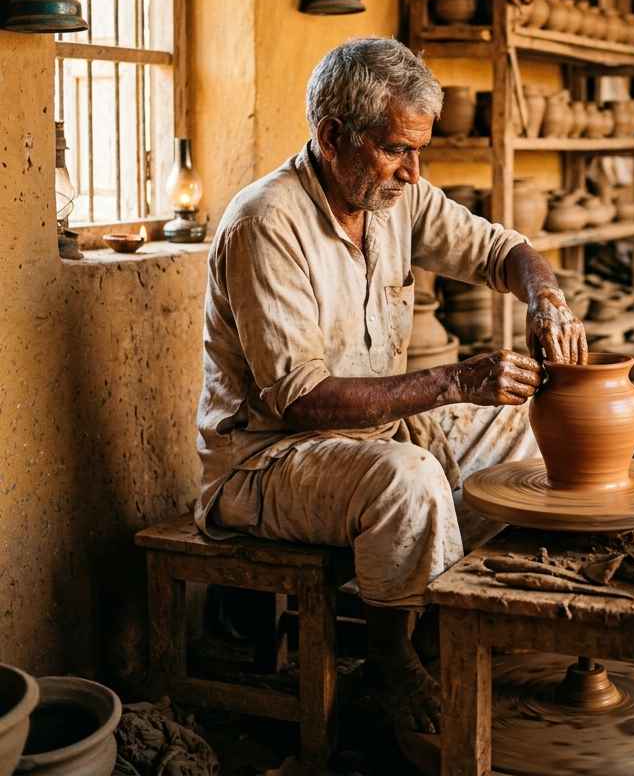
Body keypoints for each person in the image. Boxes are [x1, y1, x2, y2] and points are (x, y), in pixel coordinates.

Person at [194, 37, 587, 732]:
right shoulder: (266, 224)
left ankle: (442, 625)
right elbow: (301, 397)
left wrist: (545, 298)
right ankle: (389, 658)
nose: (413, 171)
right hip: (269, 457)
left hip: (372, 433)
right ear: (332, 135)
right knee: (408, 479)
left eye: (419, 151)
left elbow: (505, 251)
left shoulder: (393, 196)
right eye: (397, 149)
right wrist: (455, 380)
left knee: (529, 431)